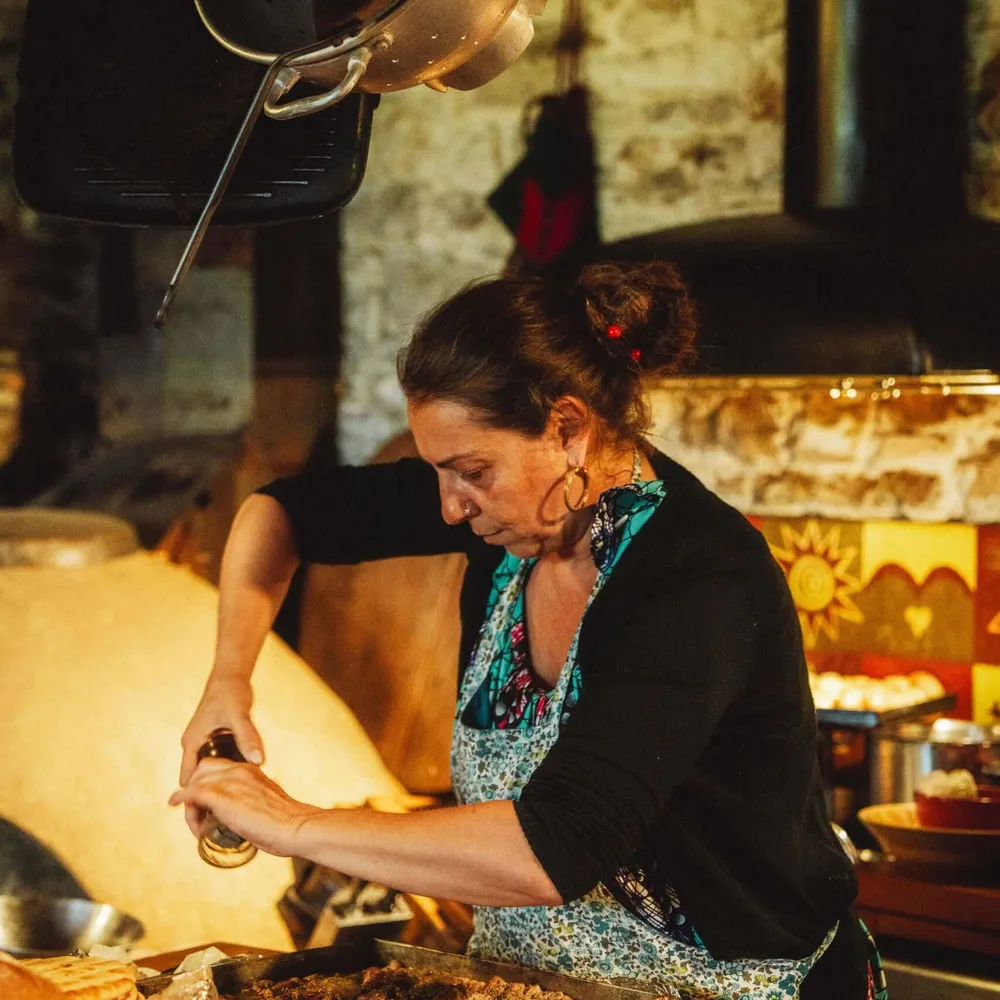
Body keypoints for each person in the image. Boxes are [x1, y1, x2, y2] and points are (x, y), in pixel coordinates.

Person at [173, 261, 884, 1000]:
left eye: (470, 471)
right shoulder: (511, 513)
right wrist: (228, 681)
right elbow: (279, 513)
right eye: (440, 472)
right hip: (533, 985)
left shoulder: (698, 577)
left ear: (569, 429)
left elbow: (554, 848)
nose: (450, 506)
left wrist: (291, 823)